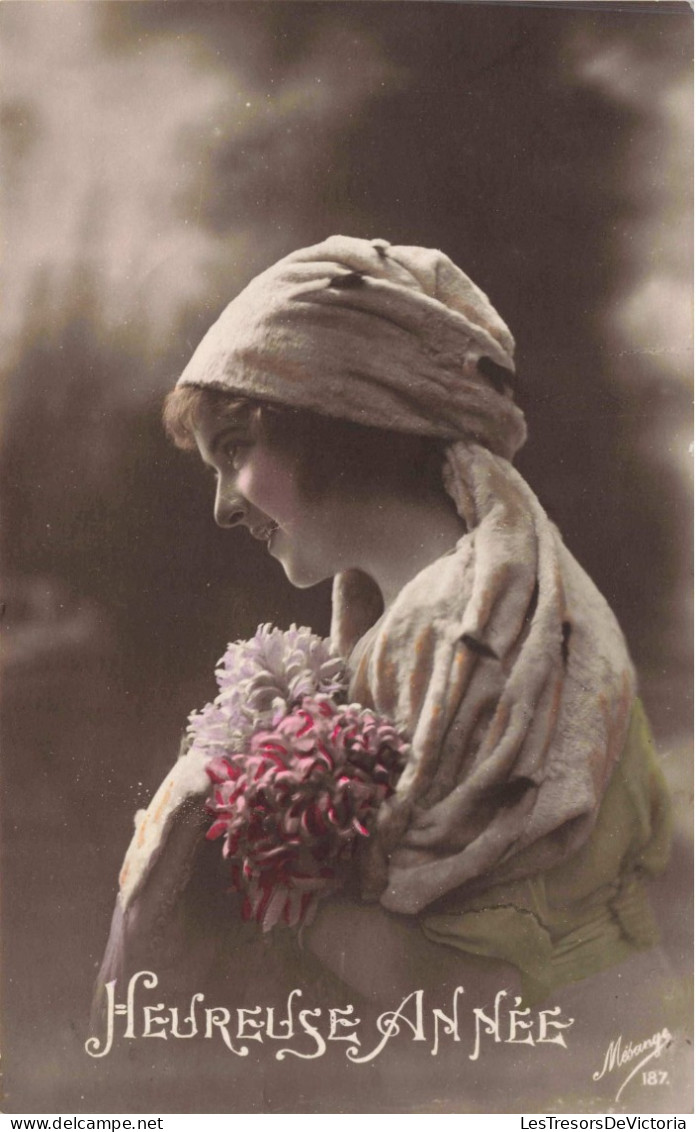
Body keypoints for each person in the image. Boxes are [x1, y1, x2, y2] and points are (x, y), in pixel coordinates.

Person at [94, 237, 673, 1101]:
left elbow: (481, 993)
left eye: (233, 451)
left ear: (326, 412)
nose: (221, 506)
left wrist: (284, 895)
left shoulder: (472, 635)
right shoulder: (445, 614)